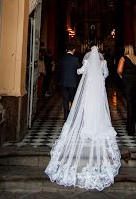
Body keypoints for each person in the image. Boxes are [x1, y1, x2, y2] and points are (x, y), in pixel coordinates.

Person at [45, 46, 121, 190]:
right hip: (98, 90)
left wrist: (84, 70)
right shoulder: (103, 62)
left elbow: (80, 72)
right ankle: (97, 126)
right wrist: (98, 76)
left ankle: (87, 125)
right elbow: (105, 75)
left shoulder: (86, 62)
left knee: (86, 108)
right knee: (98, 109)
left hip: (88, 89)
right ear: (98, 54)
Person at [117, 45, 136, 136]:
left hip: (128, 83)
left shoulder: (123, 58)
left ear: (126, 50)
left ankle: (131, 129)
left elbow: (119, 70)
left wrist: (122, 76)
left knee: (130, 104)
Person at [57, 45, 81, 120]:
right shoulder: (76, 59)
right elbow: (78, 72)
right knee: (73, 100)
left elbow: (58, 71)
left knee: (65, 101)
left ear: (66, 50)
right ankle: (73, 117)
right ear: (73, 50)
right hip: (73, 83)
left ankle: (66, 118)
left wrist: (59, 80)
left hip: (63, 83)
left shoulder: (61, 59)